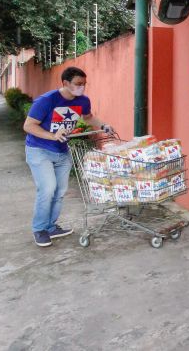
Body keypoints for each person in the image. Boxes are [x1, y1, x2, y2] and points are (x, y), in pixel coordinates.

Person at [23, 66, 114, 247]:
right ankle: (39, 229)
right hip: (39, 150)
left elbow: (88, 118)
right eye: (78, 84)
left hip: (62, 152)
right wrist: (52, 135)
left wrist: (104, 125)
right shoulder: (47, 100)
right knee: (48, 188)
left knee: (60, 191)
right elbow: (29, 125)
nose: (82, 87)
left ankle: (50, 227)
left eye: (84, 84)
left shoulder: (83, 100)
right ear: (65, 83)